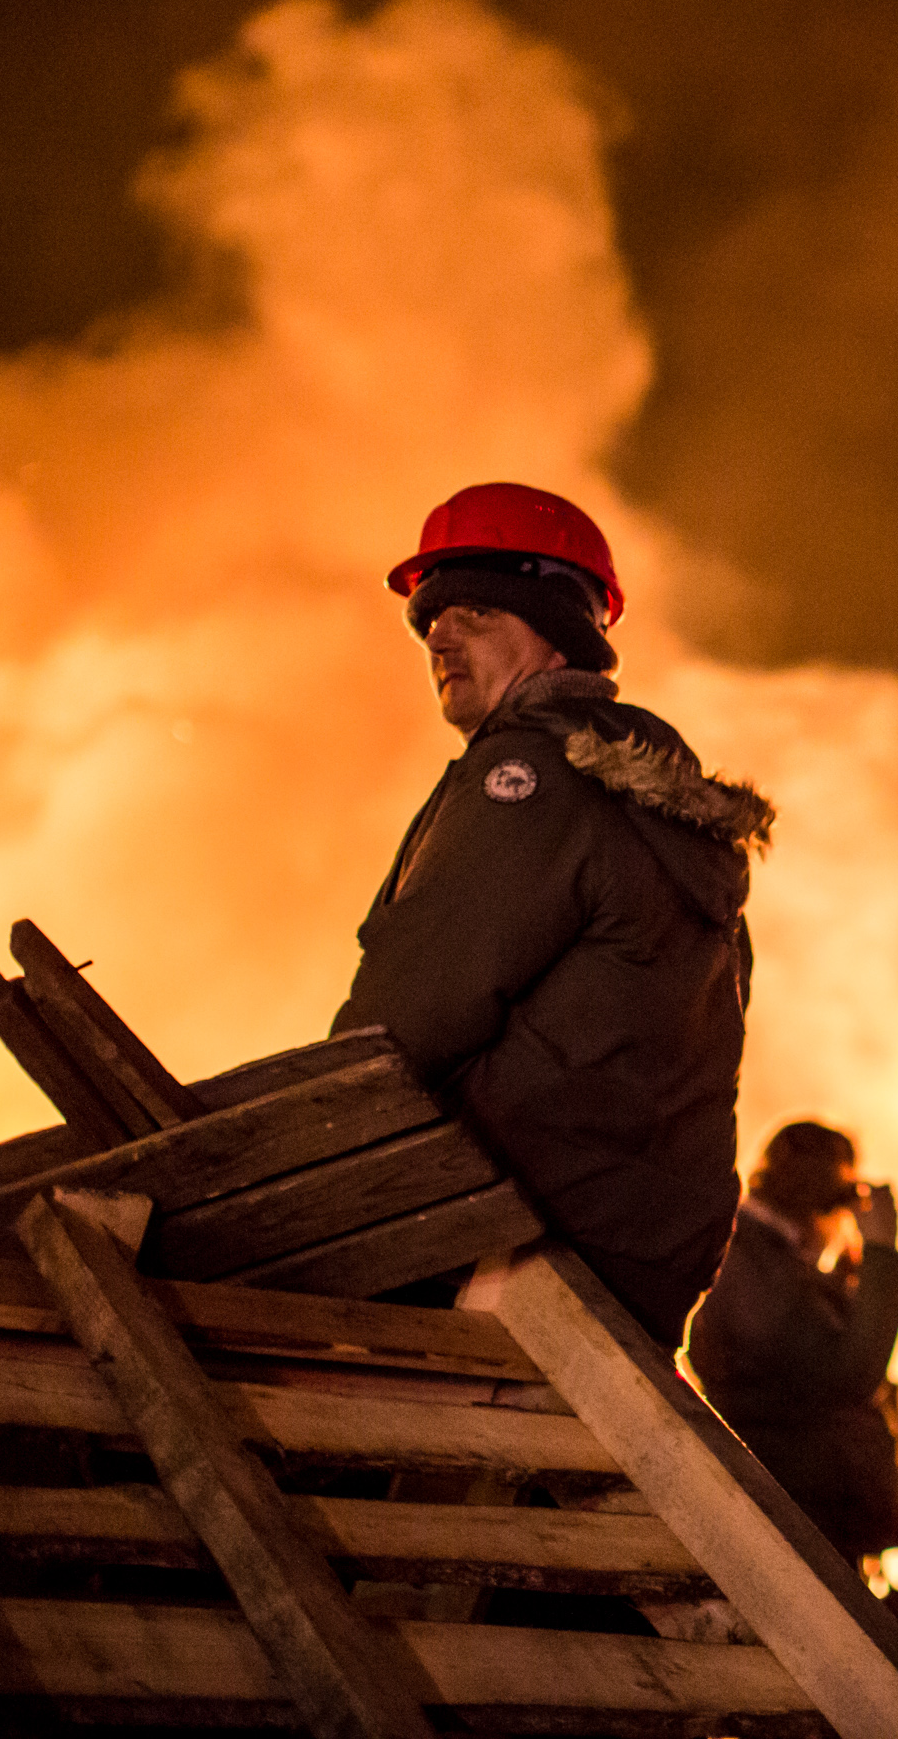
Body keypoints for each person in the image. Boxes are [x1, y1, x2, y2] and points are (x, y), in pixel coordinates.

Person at [334, 482, 773, 1349]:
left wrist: (290, 1149)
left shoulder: (532, 779)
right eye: (428, 621)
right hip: (628, 1258)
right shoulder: (655, 808)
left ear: (554, 626)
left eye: (476, 613)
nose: (439, 638)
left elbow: (401, 1021)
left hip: (508, 1244)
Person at [687, 1122, 898, 1564]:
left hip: (795, 1512)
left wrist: (845, 1279)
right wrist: (881, 1254)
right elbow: (846, 1375)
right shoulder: (749, 1264)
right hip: (795, 1518)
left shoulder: (758, 1259)